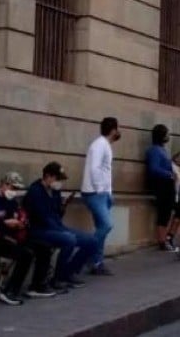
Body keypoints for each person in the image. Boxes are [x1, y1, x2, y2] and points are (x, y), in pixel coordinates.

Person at [0, 172, 57, 304]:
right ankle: (10, 291)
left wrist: (21, 222)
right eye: (12, 188)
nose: (14, 192)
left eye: (16, 189)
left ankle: (37, 286)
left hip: (11, 236)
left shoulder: (11, 201)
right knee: (26, 254)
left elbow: (21, 214)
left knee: (44, 247)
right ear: (4, 184)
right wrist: (5, 223)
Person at [24, 162, 98, 290]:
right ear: (48, 176)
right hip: (39, 230)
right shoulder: (35, 191)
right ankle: (57, 278)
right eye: (57, 179)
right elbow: (42, 217)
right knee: (69, 239)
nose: (59, 182)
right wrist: (61, 231)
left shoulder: (55, 191)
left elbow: (57, 214)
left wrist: (63, 206)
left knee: (92, 241)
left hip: (57, 227)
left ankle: (68, 273)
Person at [81, 116, 119, 276]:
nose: (118, 131)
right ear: (113, 130)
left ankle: (97, 263)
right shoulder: (99, 145)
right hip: (95, 193)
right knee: (106, 226)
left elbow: (105, 171)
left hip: (102, 193)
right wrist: (100, 189)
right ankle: (88, 255)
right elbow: (95, 169)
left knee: (101, 228)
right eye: (117, 128)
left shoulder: (105, 145)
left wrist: (108, 192)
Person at [145, 124, 180, 253]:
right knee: (164, 214)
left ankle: (169, 237)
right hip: (161, 186)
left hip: (168, 186)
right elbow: (153, 169)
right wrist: (169, 174)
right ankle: (162, 241)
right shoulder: (154, 150)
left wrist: (172, 163)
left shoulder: (162, 150)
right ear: (161, 136)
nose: (168, 136)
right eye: (166, 134)